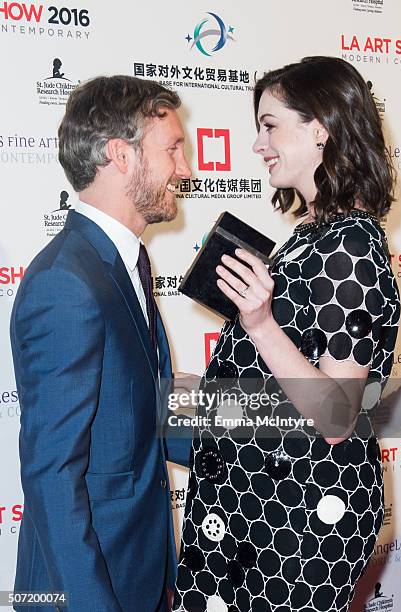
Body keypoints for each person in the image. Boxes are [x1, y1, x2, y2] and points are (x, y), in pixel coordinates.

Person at [173, 57, 400, 612]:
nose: (257, 144)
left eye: (270, 125)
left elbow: (336, 415)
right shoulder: (311, 235)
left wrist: (259, 323)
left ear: (320, 128)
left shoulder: (352, 248)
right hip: (254, 501)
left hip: (298, 516)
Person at [10, 75, 192, 612]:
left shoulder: (126, 261)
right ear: (122, 155)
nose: (185, 170)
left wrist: (285, 431)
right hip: (89, 590)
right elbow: (52, 474)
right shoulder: (65, 282)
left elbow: (144, 412)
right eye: (173, 150)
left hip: (143, 572)